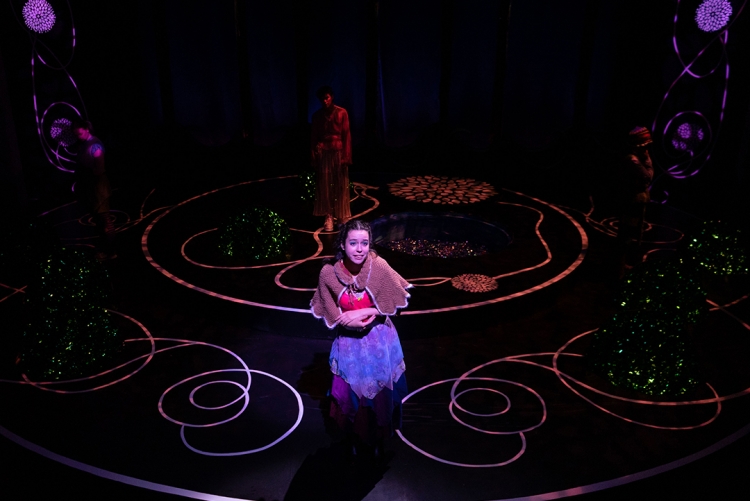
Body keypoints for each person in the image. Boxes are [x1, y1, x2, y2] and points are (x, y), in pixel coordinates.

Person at [311, 219, 411, 459]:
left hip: (379, 343)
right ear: (342, 245)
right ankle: (353, 439)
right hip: (350, 345)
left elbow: (397, 303)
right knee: (352, 397)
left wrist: (364, 312)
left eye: (364, 243)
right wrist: (346, 321)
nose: (359, 249)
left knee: (379, 398)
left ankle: (378, 440)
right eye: (353, 243)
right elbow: (328, 310)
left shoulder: (379, 267)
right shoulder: (329, 274)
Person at [71, 118, 115, 261]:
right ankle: (106, 249)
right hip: (91, 188)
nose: (78, 137)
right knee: (99, 221)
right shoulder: (84, 145)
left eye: (80, 134)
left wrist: (85, 172)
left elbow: (99, 169)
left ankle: (111, 251)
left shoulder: (95, 145)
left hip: (99, 189)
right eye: (76, 135)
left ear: (87, 130)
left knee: (105, 220)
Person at [310, 86, 352, 232]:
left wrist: (347, 156)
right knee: (325, 185)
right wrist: (313, 155)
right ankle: (329, 215)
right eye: (322, 99)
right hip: (324, 153)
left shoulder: (342, 112)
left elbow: (346, 135)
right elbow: (314, 137)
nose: (325, 101)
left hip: (338, 152)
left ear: (332, 97)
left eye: (327, 97)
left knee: (340, 184)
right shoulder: (317, 116)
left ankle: (341, 215)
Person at [617, 126, 654, 272]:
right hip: (632, 200)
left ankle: (623, 264)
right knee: (626, 234)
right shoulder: (632, 160)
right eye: (645, 146)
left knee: (633, 233)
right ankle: (619, 268)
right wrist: (647, 160)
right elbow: (648, 176)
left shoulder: (637, 159)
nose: (647, 149)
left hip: (637, 199)